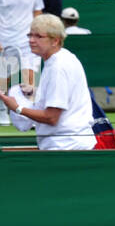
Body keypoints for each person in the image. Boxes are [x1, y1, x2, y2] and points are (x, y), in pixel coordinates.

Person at [0, 15, 96, 150]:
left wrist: (17, 108)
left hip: (66, 148)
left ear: (55, 41)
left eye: (38, 36)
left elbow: (51, 117)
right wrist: (34, 95)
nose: (31, 40)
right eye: (30, 35)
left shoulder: (58, 67)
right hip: (66, 145)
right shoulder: (62, 58)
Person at [0, 0, 43, 122]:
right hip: (5, 40)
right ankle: (2, 112)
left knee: (30, 78)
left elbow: (37, 12)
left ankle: (30, 115)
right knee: (4, 79)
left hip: (27, 42)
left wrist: (38, 36)